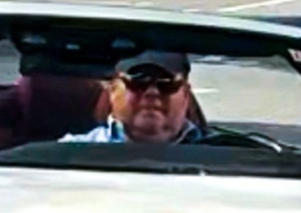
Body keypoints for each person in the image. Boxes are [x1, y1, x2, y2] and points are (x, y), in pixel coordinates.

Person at [63, 48, 209, 150]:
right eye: (138, 82)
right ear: (113, 90)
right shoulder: (68, 153)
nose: (152, 92)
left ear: (185, 95)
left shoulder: (222, 153)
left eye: (166, 83)